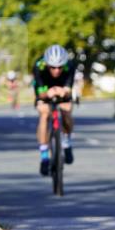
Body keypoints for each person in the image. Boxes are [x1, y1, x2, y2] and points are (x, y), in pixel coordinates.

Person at [32, 44, 76, 176]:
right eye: (53, 67)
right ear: (47, 64)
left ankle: (66, 142)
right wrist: (47, 94)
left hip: (62, 87)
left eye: (59, 67)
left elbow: (68, 91)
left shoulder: (70, 66)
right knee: (44, 113)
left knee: (67, 109)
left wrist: (64, 92)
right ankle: (44, 154)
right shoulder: (39, 66)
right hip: (45, 89)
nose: (56, 70)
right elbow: (39, 94)